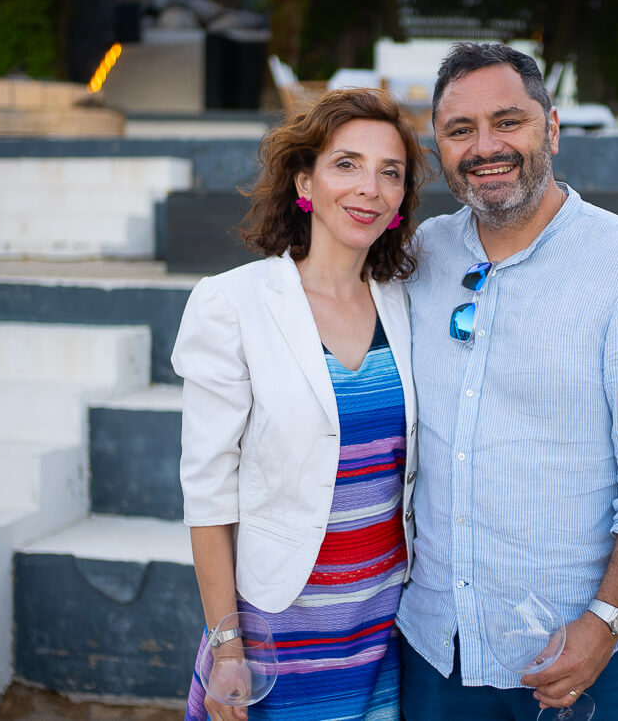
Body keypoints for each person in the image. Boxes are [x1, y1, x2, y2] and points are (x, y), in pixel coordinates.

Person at [397, 42, 618, 721]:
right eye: (460, 130)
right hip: (437, 654)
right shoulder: (420, 258)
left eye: (508, 122)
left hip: (587, 657)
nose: (486, 147)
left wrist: (605, 622)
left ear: (553, 129)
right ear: (438, 147)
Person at [172, 88, 431, 721]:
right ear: (305, 182)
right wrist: (227, 646)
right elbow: (207, 492)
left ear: (401, 199)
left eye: (390, 172)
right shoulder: (231, 304)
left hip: (382, 624)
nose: (369, 187)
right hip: (275, 629)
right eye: (347, 164)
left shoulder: (408, 303)